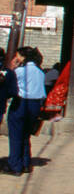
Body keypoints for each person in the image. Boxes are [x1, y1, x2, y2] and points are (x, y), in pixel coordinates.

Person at [6, 47, 46, 175]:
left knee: (16, 136)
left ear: (23, 57)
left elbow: (8, 81)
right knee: (25, 135)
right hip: (35, 105)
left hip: (21, 103)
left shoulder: (20, 71)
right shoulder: (40, 72)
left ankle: (15, 165)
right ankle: (26, 163)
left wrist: (11, 67)